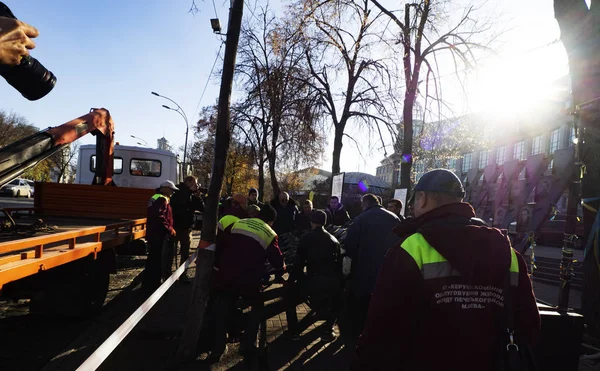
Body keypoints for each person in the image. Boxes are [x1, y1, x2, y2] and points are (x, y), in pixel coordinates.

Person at [352, 169, 540, 371]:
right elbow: (529, 324)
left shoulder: (411, 249)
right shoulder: (508, 253)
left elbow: (384, 329)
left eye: (413, 201)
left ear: (422, 199)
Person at [210, 205, 285, 360]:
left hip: (227, 274)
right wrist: (281, 269)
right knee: (257, 308)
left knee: (223, 308)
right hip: (249, 278)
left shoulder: (239, 223)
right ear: (271, 221)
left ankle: (218, 347)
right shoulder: (269, 233)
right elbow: (276, 259)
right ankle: (249, 344)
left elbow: (223, 244)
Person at [344, 193, 401, 336]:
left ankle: (358, 333)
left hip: (363, 269)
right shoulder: (394, 218)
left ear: (365, 204)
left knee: (362, 302)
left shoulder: (360, 219)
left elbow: (350, 245)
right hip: (387, 268)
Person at [285, 210, 342, 342]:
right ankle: (328, 329)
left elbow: (299, 263)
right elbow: (338, 264)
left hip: (313, 279)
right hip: (331, 280)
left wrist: (291, 280)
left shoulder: (306, 238)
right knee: (335, 301)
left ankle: (294, 331)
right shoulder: (334, 240)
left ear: (312, 222)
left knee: (289, 298)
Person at [143, 180, 178, 292]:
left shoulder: (156, 197)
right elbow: (160, 216)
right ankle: (153, 285)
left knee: (153, 260)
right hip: (158, 235)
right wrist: (169, 228)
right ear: (165, 188)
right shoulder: (161, 199)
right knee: (157, 261)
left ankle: (149, 284)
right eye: (171, 190)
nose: (172, 192)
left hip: (154, 234)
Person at [170, 176, 204, 280]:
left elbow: (202, 208)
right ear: (188, 183)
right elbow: (180, 204)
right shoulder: (178, 191)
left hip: (186, 227)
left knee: (185, 252)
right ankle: (167, 275)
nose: (196, 186)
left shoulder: (192, 194)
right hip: (176, 226)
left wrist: (198, 197)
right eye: (195, 184)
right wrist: (191, 193)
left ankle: (182, 274)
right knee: (170, 252)